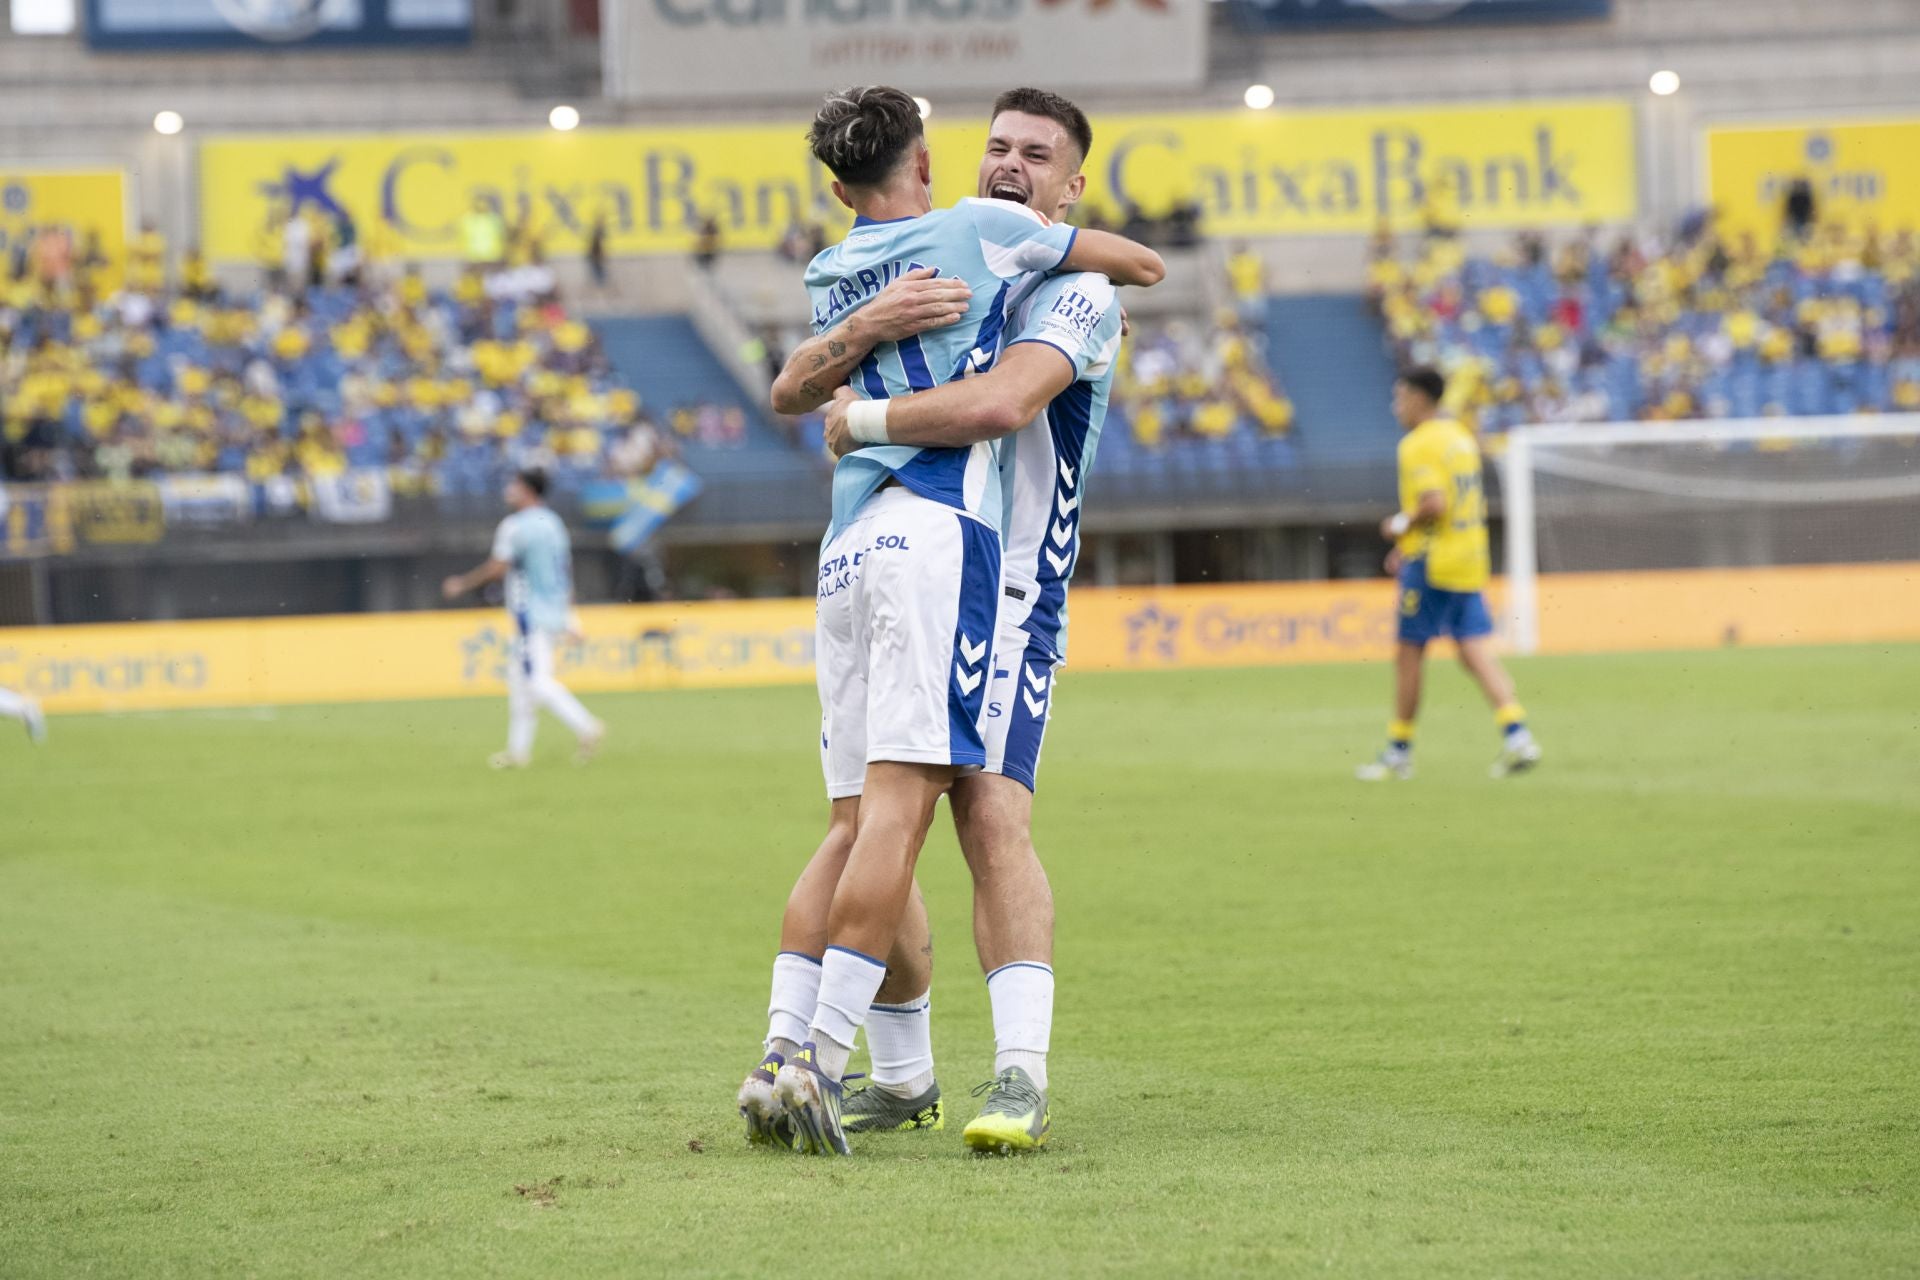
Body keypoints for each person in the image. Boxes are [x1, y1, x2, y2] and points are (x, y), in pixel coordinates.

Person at [736, 85, 1163, 1159]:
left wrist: (862, 418)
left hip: (1008, 586)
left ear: (1072, 188)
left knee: (986, 817)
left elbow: (999, 404)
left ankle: (1021, 1073)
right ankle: (902, 1075)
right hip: (913, 557)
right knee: (883, 816)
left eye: (1038, 154)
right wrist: (863, 331)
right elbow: (793, 380)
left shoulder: (1077, 292)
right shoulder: (959, 260)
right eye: (998, 146)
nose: (1010, 163)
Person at [1357, 367, 1542, 782]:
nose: (1396, 406)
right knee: (1472, 648)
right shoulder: (1459, 436)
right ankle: (1518, 733)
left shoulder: (1419, 443)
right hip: (1468, 556)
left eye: (1400, 397)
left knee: (1409, 652)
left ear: (1420, 398)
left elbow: (1435, 503)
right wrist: (1406, 547)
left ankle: (1399, 750)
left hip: (1434, 563)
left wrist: (1399, 525)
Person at [441, 468, 605, 769]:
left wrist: (462, 584)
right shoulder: (554, 523)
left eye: (514, 485)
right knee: (519, 681)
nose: (508, 490)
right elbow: (563, 572)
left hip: (530, 613)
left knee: (535, 679)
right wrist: (571, 618)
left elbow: (498, 567)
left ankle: (586, 725)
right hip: (553, 610)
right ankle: (518, 752)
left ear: (527, 490)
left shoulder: (515, 526)